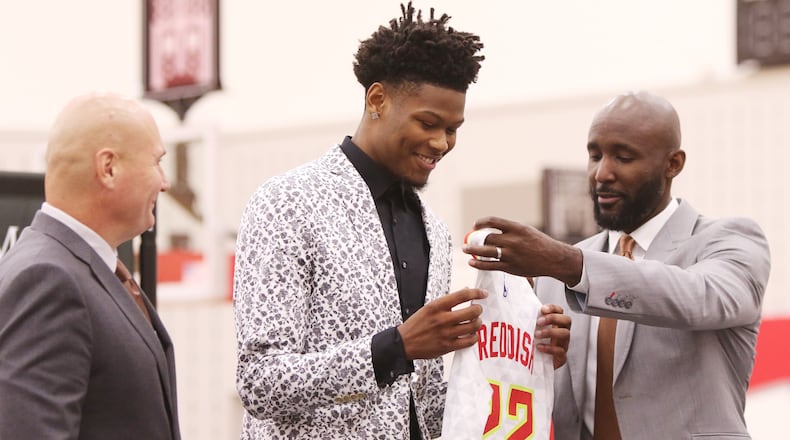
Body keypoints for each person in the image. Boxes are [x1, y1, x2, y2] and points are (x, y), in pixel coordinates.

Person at [233, 3, 570, 439]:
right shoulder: (287, 203)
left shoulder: (434, 228)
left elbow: (426, 405)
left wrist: (528, 354)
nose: (441, 142)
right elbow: (261, 383)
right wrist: (395, 348)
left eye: (453, 128)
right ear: (377, 99)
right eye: (428, 122)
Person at [463, 91, 771, 439]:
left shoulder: (729, 240)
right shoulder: (558, 271)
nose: (601, 174)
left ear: (674, 164)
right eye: (595, 156)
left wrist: (569, 263)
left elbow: (701, 298)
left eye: (623, 158)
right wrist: (544, 357)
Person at [0, 92, 180, 440]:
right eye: (157, 162)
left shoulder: (85, 269)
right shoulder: (49, 280)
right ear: (108, 168)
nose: (164, 182)